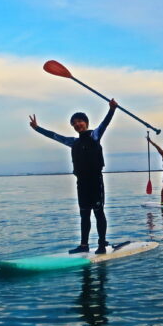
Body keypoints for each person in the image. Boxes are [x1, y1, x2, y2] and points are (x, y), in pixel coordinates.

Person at [29, 99, 118, 254]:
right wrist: (37, 128)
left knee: (98, 212)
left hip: (95, 182)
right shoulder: (73, 142)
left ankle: (102, 244)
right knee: (84, 214)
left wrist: (111, 109)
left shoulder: (94, 136)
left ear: (86, 122)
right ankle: (84, 245)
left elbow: (105, 123)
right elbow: (54, 135)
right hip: (81, 183)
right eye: (74, 123)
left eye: (80, 122)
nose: (77, 125)